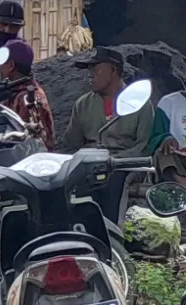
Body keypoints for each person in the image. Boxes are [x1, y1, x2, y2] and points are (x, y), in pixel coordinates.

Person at [60, 47, 155, 222]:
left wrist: (113, 161)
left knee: (112, 182)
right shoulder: (82, 105)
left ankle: (111, 235)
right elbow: (71, 144)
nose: (91, 75)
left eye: (96, 70)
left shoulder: (141, 104)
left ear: (113, 70)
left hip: (125, 166)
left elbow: (143, 147)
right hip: (89, 164)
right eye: (90, 70)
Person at [0, 40, 56, 151]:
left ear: (11, 66)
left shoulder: (28, 99)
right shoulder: (13, 93)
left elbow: (37, 146)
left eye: (2, 63)